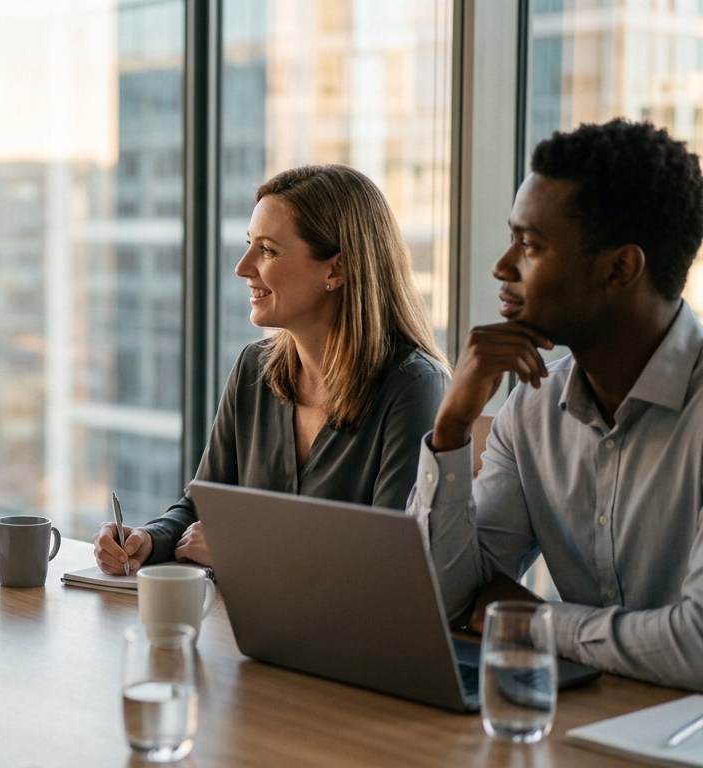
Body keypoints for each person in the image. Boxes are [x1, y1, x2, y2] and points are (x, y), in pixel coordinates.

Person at [409, 119, 703, 690]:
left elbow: (696, 646)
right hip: (590, 724)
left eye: (530, 244)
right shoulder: (532, 409)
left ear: (619, 268)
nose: (502, 266)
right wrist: (450, 430)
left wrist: (535, 621)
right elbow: (446, 601)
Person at [94, 165, 450, 575]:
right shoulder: (253, 368)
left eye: (267, 250)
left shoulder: (414, 386)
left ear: (336, 269)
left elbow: (388, 560)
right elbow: (202, 507)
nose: (243, 267)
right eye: (250, 245)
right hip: (237, 627)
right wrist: (149, 540)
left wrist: (245, 550)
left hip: (345, 637)